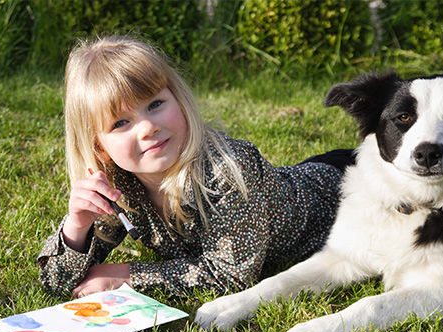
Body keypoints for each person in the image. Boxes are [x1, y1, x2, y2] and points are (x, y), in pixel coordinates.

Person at [37, 34, 355, 299]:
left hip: (343, 189)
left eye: (155, 104)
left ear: (179, 100)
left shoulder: (228, 169)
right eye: (121, 122)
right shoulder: (119, 187)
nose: (147, 128)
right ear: (99, 147)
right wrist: (77, 226)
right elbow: (58, 282)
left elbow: (230, 275)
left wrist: (128, 275)